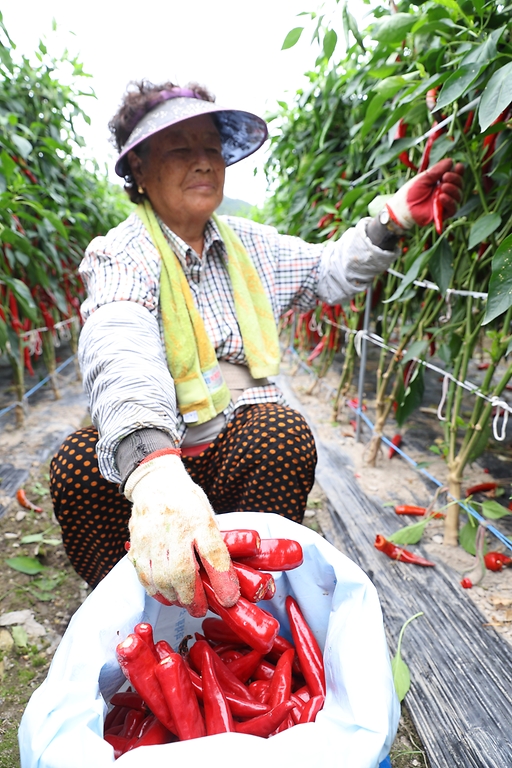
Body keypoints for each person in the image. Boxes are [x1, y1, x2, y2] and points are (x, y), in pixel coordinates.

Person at [50, 80, 464, 617]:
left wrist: (392, 220)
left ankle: (247, 609)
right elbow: (119, 338)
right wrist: (154, 471)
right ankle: (138, 614)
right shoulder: (121, 253)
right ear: (141, 174)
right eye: (180, 148)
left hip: (234, 445)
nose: (203, 162)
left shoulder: (251, 245)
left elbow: (324, 272)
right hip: (161, 447)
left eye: (212, 149)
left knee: (280, 432)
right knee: (78, 467)